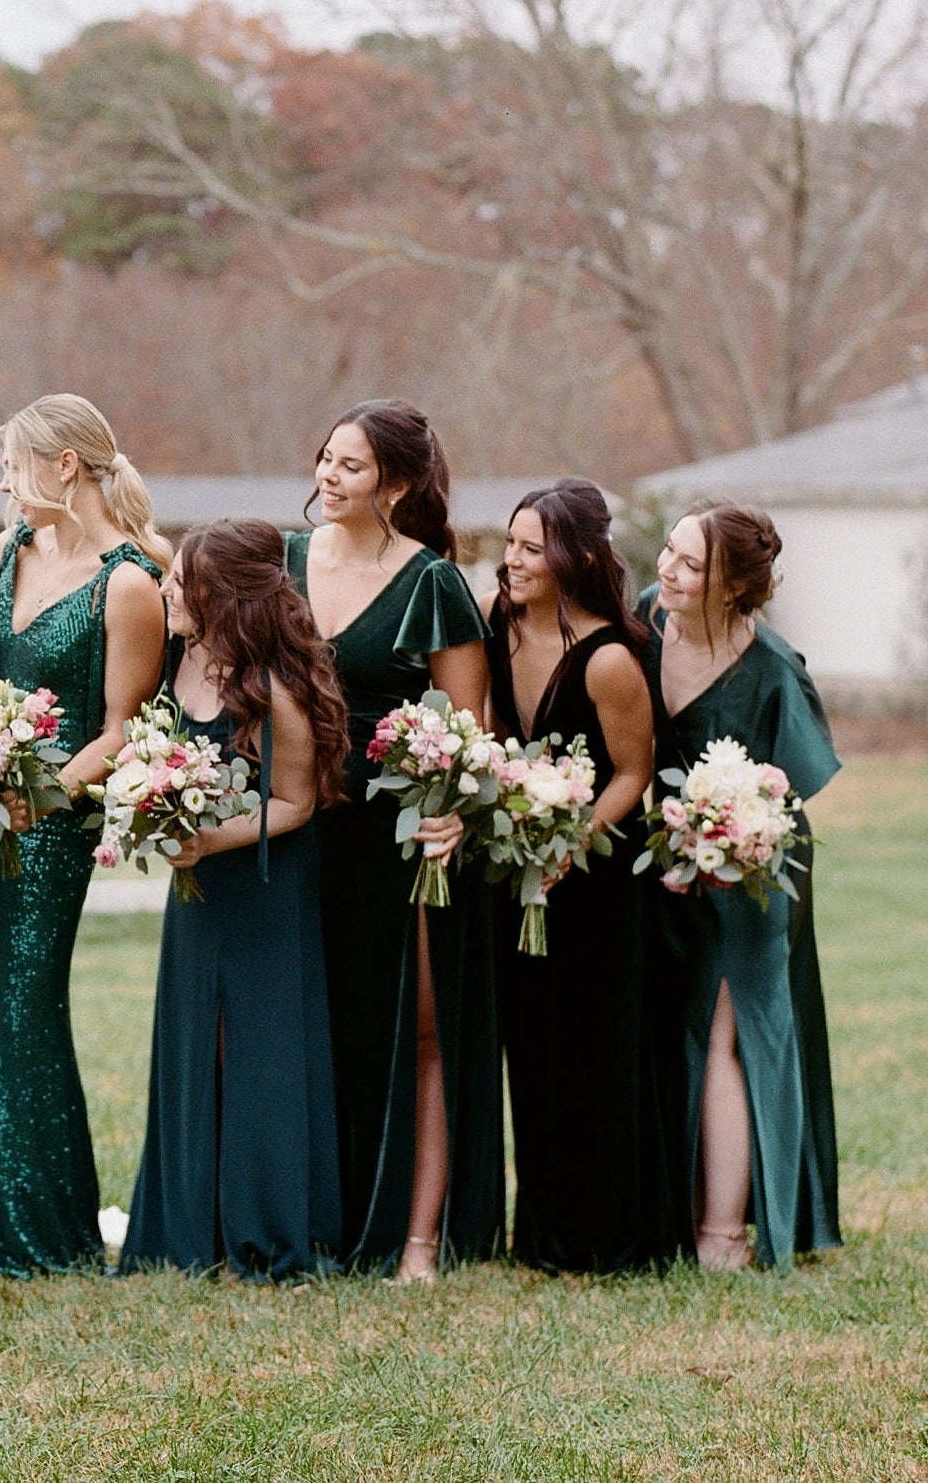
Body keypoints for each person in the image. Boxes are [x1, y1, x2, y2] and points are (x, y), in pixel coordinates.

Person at [0, 394, 168, 1278]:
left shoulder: (129, 581)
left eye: (14, 463)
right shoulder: (9, 549)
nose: (2, 481)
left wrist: (40, 794)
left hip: (50, 832)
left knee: (29, 1010)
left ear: (64, 465)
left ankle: (44, 1232)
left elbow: (123, 727)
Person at [285, 399, 496, 1281]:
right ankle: (321, 1221)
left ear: (398, 486)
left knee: (416, 1028)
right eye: (327, 460)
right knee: (313, 1022)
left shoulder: (432, 583)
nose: (330, 478)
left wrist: (453, 806)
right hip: (298, 823)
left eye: (353, 467)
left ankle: (415, 1236)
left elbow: (472, 727)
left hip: (401, 834)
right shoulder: (286, 560)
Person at [122, 520, 346, 1282]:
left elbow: (296, 803)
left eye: (181, 582)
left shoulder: (273, 688)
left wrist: (213, 840)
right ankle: (188, 1223)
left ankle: (264, 1226)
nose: (167, 592)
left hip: (263, 882)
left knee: (260, 1046)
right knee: (194, 1038)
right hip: (199, 885)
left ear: (225, 595)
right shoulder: (177, 661)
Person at [643, 501, 841, 1272]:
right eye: (669, 551)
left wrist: (730, 836)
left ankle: (725, 1229)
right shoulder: (643, 620)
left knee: (728, 1032)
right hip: (662, 869)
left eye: (691, 566)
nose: (668, 570)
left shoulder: (771, 669)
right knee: (673, 1025)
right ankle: (669, 1208)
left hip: (753, 872)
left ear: (732, 588)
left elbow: (799, 789)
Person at [485, 480, 669, 1273]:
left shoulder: (611, 659)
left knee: (594, 1054)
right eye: (513, 543)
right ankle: (544, 1234)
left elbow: (635, 772)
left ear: (577, 559)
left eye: (533, 548)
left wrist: (571, 841)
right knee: (530, 1047)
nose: (514, 560)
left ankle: (605, 1237)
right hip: (517, 873)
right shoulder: (499, 627)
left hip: (594, 884)